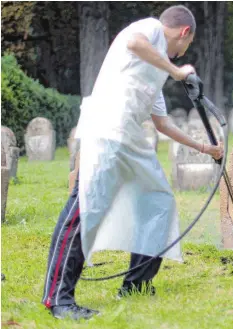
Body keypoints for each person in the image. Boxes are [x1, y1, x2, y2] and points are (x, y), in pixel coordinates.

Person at [41, 5, 223, 321]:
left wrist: (206, 148)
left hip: (131, 140)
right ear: (184, 33)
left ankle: (136, 285)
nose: (182, 52)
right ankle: (58, 299)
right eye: (186, 46)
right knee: (86, 207)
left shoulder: (154, 72)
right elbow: (133, 44)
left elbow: (164, 124)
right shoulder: (151, 29)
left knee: (159, 203)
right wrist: (178, 71)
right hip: (107, 131)